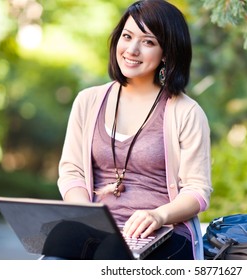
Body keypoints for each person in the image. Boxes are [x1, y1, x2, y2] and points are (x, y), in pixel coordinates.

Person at [55, 0, 212, 260]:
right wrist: (88, 217)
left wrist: (158, 215)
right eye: (127, 37)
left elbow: (197, 191)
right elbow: (72, 171)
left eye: (148, 42)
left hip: (164, 233)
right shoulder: (88, 101)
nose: (132, 49)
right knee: (60, 241)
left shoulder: (186, 112)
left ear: (167, 52)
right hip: (100, 229)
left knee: (110, 254)